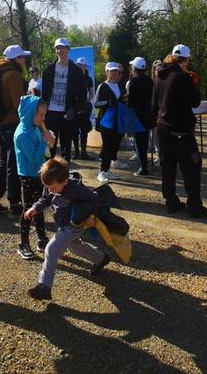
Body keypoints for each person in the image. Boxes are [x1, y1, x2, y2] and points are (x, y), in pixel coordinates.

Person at [27, 158, 110, 300]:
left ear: (65, 181)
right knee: (74, 247)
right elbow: (46, 198)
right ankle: (101, 258)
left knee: (51, 250)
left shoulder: (75, 188)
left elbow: (95, 197)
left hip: (73, 226)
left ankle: (44, 286)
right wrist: (35, 207)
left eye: (53, 188)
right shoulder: (51, 183)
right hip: (63, 224)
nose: (50, 190)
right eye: (47, 187)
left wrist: (92, 216)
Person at [152, 44, 207, 218]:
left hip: (163, 129)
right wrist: (193, 84)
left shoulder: (158, 77)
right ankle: (194, 205)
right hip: (181, 131)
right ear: (185, 60)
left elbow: (153, 105)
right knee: (192, 167)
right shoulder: (183, 78)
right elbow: (194, 102)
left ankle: (171, 202)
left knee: (168, 167)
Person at [0, 44, 30, 216]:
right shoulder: (13, 75)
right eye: (22, 57)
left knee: (4, 163)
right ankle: (14, 203)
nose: (24, 61)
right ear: (16, 59)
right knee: (13, 164)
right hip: (12, 124)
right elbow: (19, 105)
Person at [14, 94, 56, 259]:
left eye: (44, 115)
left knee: (39, 207)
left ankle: (42, 239)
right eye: (41, 115)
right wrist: (45, 142)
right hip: (28, 176)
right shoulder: (23, 133)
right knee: (29, 210)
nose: (43, 118)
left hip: (38, 174)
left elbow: (49, 146)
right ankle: (23, 244)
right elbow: (33, 156)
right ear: (30, 113)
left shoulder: (35, 127)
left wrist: (46, 136)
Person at [41, 38, 87, 163]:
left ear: (68, 49)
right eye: (57, 48)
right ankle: (48, 176)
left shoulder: (76, 71)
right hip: (51, 112)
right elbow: (44, 94)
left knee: (66, 146)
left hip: (67, 113)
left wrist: (75, 109)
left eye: (63, 47)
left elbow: (83, 94)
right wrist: (42, 111)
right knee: (50, 145)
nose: (60, 50)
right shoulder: (48, 69)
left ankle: (64, 176)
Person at [94, 62, 126, 183]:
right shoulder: (102, 86)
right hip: (106, 121)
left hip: (118, 121)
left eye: (116, 71)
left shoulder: (119, 86)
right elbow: (96, 103)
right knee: (107, 145)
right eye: (111, 71)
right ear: (107, 72)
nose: (114, 73)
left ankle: (107, 170)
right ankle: (101, 171)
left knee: (114, 144)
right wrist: (108, 103)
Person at [126, 56, 154, 176]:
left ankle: (143, 168)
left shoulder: (133, 81)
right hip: (148, 115)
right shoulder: (150, 81)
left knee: (139, 143)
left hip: (137, 116)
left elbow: (131, 102)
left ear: (134, 68)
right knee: (145, 141)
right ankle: (144, 166)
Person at [73, 58, 95, 160]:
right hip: (74, 107)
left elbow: (92, 93)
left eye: (81, 65)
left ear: (85, 66)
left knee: (84, 130)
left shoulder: (88, 79)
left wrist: (87, 99)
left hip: (85, 107)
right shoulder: (73, 77)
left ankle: (84, 152)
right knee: (74, 130)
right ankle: (76, 152)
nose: (79, 66)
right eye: (78, 65)